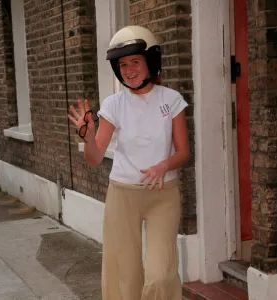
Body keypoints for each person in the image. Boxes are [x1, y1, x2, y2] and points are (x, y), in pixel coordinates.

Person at [68, 25, 190, 300]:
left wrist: (163, 166)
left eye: (135, 62)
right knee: (125, 274)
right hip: (122, 195)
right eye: (123, 65)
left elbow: (183, 153)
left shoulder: (171, 100)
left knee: (162, 275)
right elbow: (95, 157)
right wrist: (87, 137)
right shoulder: (113, 105)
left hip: (163, 194)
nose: (129, 70)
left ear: (150, 62)